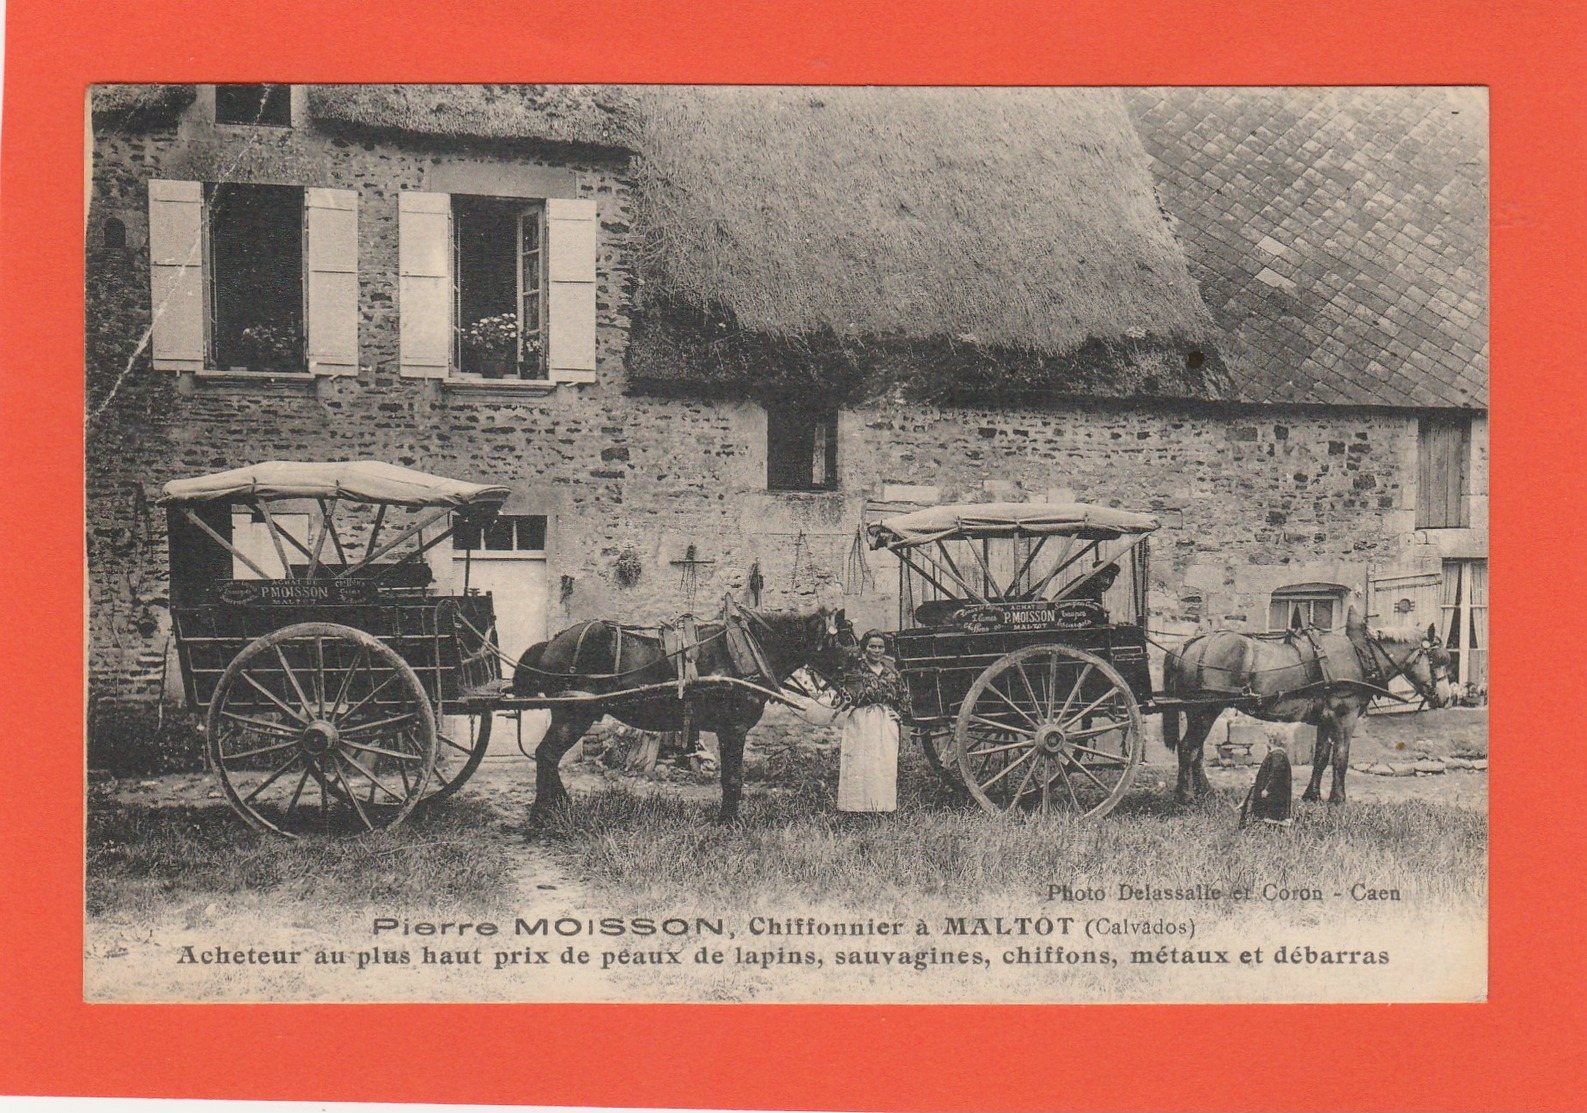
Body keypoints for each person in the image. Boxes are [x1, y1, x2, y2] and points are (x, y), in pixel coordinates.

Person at [836, 630, 909, 813]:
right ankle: (856, 809)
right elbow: (843, 693)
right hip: (862, 720)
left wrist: (899, 714)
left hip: (885, 722)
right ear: (864, 648)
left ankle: (882, 808)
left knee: (883, 765)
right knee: (860, 764)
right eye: (872, 646)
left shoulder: (890, 672)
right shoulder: (855, 670)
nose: (876, 651)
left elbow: (903, 696)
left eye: (880, 647)